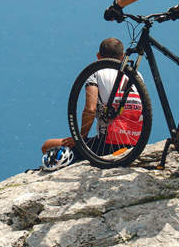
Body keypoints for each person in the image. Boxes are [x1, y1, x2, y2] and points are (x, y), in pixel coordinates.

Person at [41, 38, 144, 168]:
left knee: (48, 145)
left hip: (108, 145)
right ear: (123, 56)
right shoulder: (137, 75)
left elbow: (90, 109)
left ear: (98, 56)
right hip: (136, 143)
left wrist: (80, 138)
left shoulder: (95, 72)